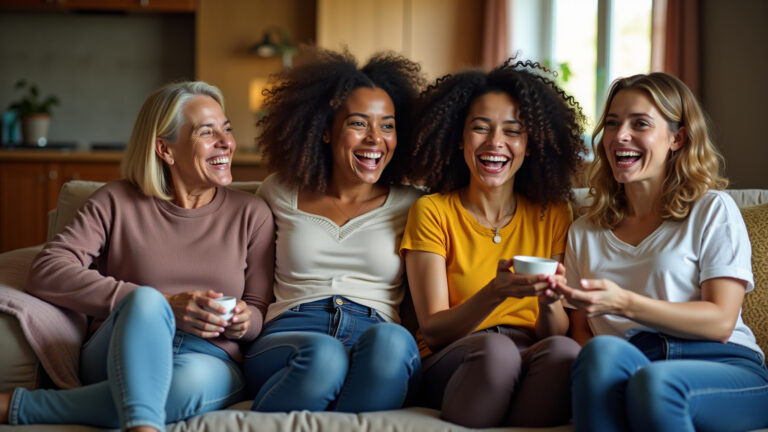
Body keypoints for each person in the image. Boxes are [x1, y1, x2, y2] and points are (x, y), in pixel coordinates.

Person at [0, 81, 275, 431]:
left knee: (177, 386)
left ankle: (23, 407)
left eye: (227, 129)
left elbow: (258, 310)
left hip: (208, 359)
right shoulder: (115, 201)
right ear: (165, 149)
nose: (227, 143)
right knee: (146, 302)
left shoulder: (253, 214)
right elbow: (47, 270)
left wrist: (243, 320)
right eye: (208, 132)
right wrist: (163, 303)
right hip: (117, 351)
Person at [555, 72, 768, 431]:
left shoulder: (712, 210)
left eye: (640, 123)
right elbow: (582, 334)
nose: (620, 135)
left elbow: (720, 321)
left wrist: (623, 303)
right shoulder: (583, 232)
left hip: (725, 366)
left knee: (656, 384)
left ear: (677, 137)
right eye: (612, 123)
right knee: (598, 353)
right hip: (634, 365)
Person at [400, 58, 586, 428]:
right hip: (457, 357)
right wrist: (495, 293)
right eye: (480, 128)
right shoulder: (433, 211)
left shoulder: (552, 212)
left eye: (512, 131)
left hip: (528, 352)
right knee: (496, 350)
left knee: (565, 351)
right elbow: (434, 332)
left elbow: (552, 333)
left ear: (530, 145)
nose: (495, 143)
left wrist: (549, 303)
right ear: (459, 139)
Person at [242, 48, 425, 413]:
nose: (375, 138)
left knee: (392, 342)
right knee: (324, 356)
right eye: (358, 123)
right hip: (290, 337)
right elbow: (255, 292)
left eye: (387, 125)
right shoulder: (278, 192)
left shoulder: (415, 204)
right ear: (325, 131)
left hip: (375, 339)